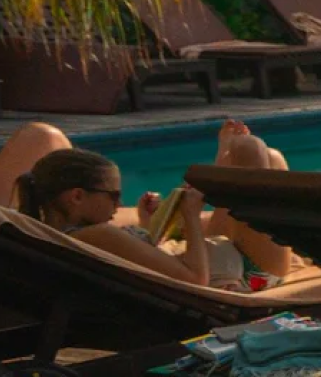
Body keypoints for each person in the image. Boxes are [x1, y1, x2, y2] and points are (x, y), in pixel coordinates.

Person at [8, 119, 296, 289]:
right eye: (114, 196)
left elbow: (147, 263)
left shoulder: (51, 232)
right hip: (249, 272)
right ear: (77, 196)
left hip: (222, 254)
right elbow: (195, 280)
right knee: (254, 150)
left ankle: (222, 168)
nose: (119, 204)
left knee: (261, 157)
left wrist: (148, 226)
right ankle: (223, 168)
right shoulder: (98, 234)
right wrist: (191, 217)